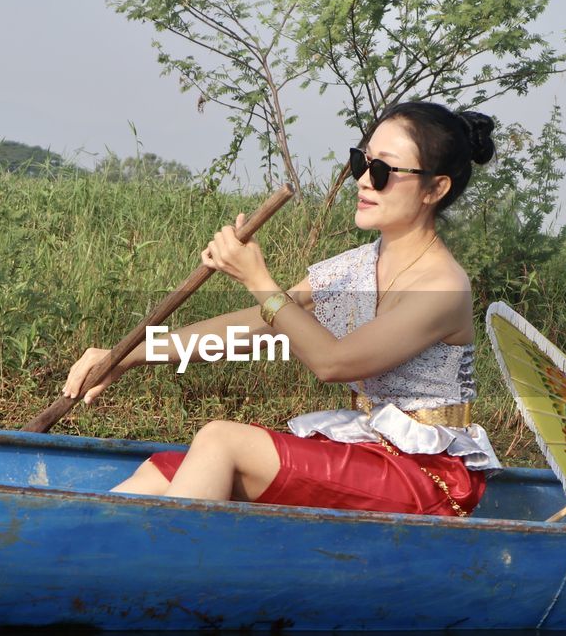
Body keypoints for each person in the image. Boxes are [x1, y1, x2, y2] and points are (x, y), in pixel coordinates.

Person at [62, 101, 502, 516]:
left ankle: (159, 574)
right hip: (370, 451)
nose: (364, 180)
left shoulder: (443, 287)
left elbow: (334, 362)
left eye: (384, 169)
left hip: (427, 478)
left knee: (220, 439)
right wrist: (130, 355)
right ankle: (75, 551)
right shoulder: (355, 266)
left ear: (435, 188)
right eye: (361, 162)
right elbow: (261, 323)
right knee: (161, 472)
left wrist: (258, 280)